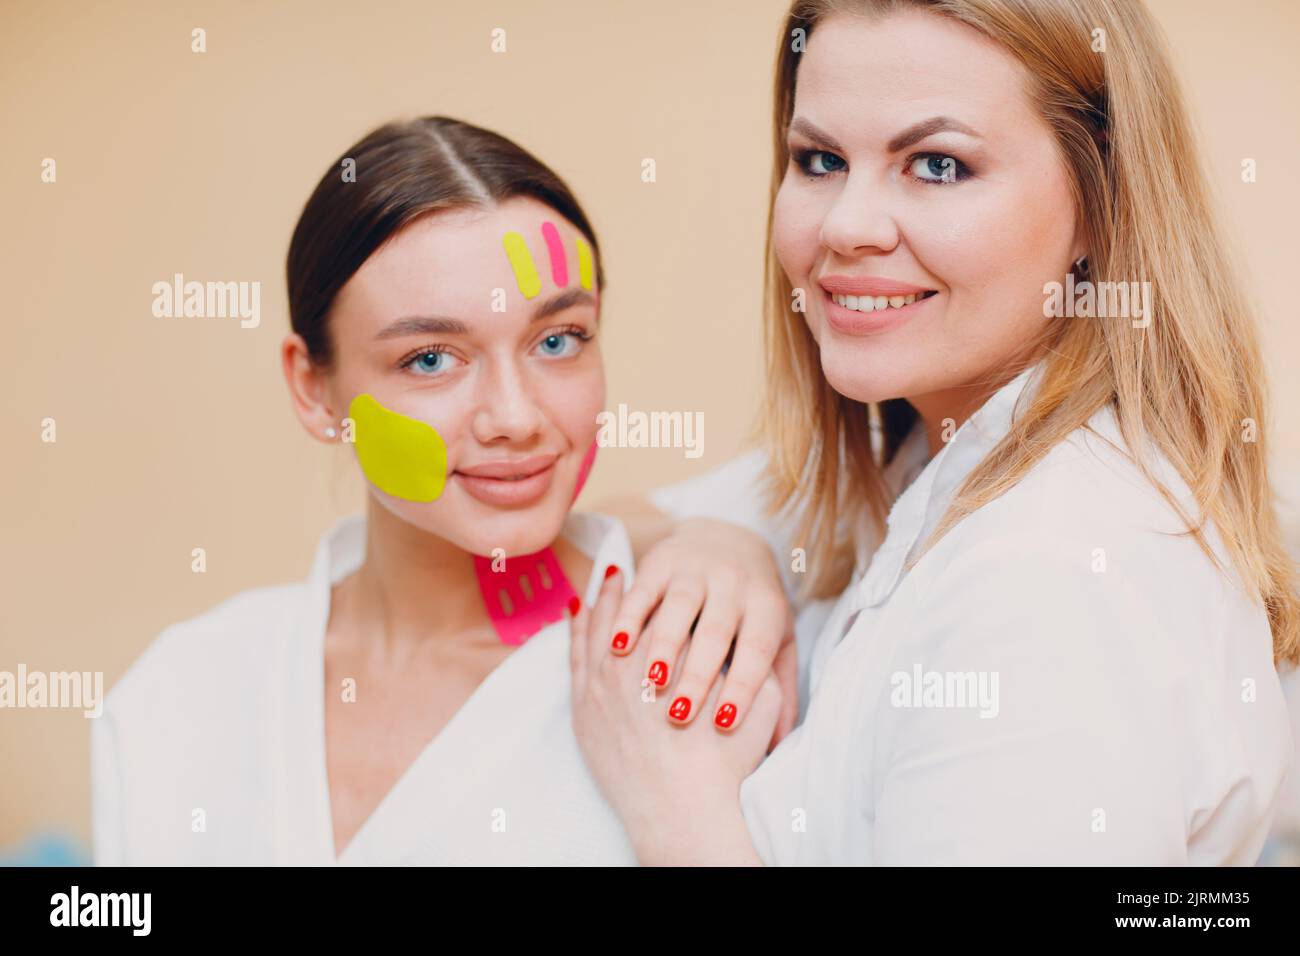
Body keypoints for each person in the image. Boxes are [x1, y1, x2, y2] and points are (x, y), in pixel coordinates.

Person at [570, 0, 1299, 865]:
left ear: (1099, 206)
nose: (846, 225)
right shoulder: (925, 456)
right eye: (819, 160)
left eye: (939, 165)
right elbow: (589, 520)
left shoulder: (1050, 580)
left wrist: (677, 811)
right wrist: (721, 544)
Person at [91, 117, 790, 865]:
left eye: (558, 340)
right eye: (430, 359)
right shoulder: (176, 696)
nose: (517, 418)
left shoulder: (696, 655)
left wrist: (726, 542)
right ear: (312, 387)